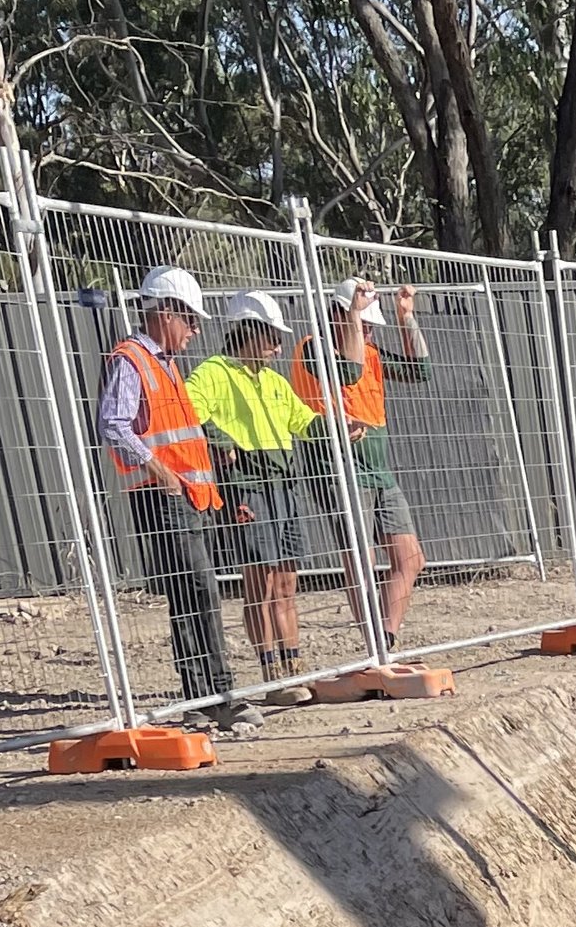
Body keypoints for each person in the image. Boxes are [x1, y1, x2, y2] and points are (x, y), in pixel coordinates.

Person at [95, 264, 256, 730]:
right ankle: (217, 693)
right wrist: (157, 468)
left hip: (187, 497)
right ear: (165, 313)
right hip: (162, 495)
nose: (195, 330)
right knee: (198, 589)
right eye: (191, 319)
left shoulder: (164, 365)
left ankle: (203, 697)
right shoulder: (132, 360)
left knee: (191, 593)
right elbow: (113, 424)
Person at [186, 291, 317, 698]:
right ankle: (271, 675)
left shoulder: (275, 381)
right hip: (247, 487)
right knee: (259, 581)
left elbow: (304, 420)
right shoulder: (211, 373)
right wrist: (218, 438)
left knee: (286, 581)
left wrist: (336, 427)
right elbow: (189, 409)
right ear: (248, 331)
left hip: (283, 485)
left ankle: (293, 665)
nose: (278, 347)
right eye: (271, 337)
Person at [294, 276, 428, 646]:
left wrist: (405, 318)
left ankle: (385, 638)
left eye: (371, 325)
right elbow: (348, 371)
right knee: (361, 558)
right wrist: (353, 315)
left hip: (378, 470)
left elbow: (421, 371)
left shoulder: (372, 353)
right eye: (363, 323)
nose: (368, 332)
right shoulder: (312, 348)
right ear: (340, 313)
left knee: (411, 557)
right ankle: (373, 644)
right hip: (338, 469)